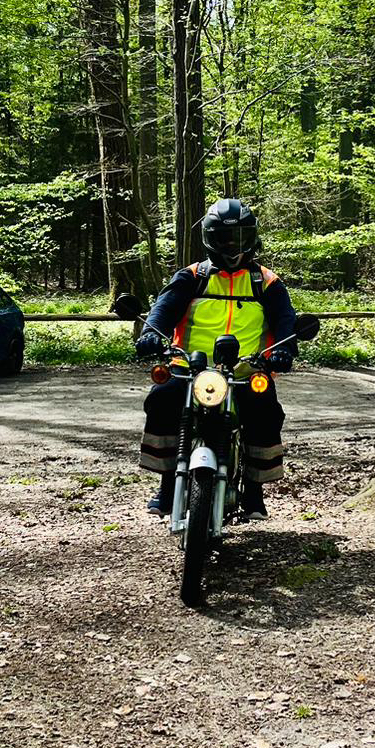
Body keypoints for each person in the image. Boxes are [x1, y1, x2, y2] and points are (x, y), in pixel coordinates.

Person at [135, 198, 297, 520]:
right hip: (189, 368)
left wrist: (284, 350)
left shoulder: (267, 282)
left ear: (252, 238)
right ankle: (167, 485)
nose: (232, 246)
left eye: (239, 238)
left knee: (265, 409)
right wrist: (151, 333)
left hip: (246, 370)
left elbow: (285, 322)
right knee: (162, 398)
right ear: (210, 239)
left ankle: (254, 490)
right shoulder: (191, 277)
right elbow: (163, 311)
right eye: (224, 238)